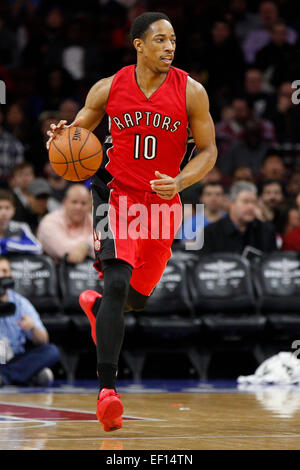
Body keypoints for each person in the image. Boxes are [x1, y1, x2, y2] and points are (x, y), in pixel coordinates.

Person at [47, 12, 217, 432]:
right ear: (138, 44)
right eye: (160, 40)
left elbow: (209, 152)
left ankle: (98, 307)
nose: (169, 47)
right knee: (118, 281)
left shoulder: (192, 92)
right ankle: (108, 393)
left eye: (173, 40)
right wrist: (58, 136)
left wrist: (179, 180)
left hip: (161, 205)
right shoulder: (109, 87)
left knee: (135, 300)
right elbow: (76, 134)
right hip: (115, 197)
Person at [0, 256, 60, 387]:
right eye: (3, 271)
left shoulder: (21, 302)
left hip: (16, 358)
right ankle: (29, 376)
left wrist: (33, 327)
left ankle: (5, 376)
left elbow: (44, 340)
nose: (7, 275)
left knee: (51, 351)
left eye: (8, 271)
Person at [200, 181, 277, 255]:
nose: (251, 207)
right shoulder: (211, 233)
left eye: (254, 202)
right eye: (245, 202)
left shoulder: (266, 231)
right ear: (231, 203)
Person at [37, 184, 94, 263]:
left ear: (89, 205)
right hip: (55, 271)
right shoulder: (50, 221)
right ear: (64, 202)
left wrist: (86, 246)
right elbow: (62, 249)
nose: (78, 207)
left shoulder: (93, 220)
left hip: (91, 272)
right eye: (74, 202)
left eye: (83, 203)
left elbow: (105, 246)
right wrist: (87, 246)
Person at [0, 189, 42, 255]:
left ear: (13, 210)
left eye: (7, 208)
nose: (3, 213)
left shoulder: (21, 227)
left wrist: (6, 243)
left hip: (18, 263)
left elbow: (37, 247)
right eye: (0, 208)